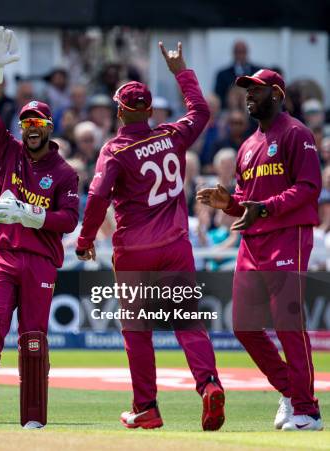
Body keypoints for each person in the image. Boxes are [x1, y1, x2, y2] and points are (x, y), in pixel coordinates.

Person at [76, 42, 225, 431]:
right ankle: (208, 384)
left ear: (122, 111)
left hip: (135, 251)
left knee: (138, 330)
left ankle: (146, 407)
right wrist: (181, 70)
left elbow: (96, 197)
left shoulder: (115, 149)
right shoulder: (173, 135)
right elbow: (202, 110)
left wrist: (85, 239)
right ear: (149, 110)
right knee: (187, 321)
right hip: (176, 245)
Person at [0, 26, 79, 429]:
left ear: (48, 127)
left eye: (38, 122)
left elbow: (69, 219)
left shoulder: (64, 172)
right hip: (4, 256)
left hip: (42, 261)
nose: (30, 127)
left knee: (33, 338)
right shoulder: (9, 151)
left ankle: (33, 417)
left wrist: (32, 215)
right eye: (26, 121)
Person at [197, 69, 324, 431]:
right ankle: (291, 392)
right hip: (253, 242)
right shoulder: (248, 145)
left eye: (257, 89)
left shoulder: (296, 133)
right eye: (246, 90)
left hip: (287, 236)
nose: (248, 95)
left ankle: (307, 411)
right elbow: (244, 202)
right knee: (244, 327)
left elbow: (309, 187)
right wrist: (228, 202)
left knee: (288, 325)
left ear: (278, 94)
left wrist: (265, 207)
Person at [214, 41, 261, 108]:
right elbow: (218, 97)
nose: (240, 55)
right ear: (233, 53)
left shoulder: (258, 73)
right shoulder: (222, 75)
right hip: (229, 112)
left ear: (247, 52)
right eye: (238, 52)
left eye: (243, 52)